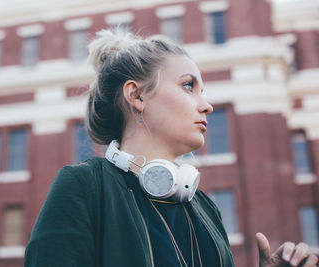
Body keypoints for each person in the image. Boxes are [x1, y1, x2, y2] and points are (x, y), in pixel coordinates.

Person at [25, 29, 318, 267]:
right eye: (189, 86)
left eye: (203, 91)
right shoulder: (83, 186)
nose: (207, 105)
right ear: (136, 95)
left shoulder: (205, 208)